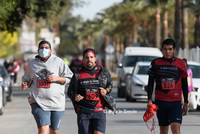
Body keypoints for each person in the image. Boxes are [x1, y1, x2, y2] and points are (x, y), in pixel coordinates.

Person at [21, 40, 73, 134]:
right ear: (38, 50)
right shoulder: (32, 63)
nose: (44, 50)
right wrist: (25, 83)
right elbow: (27, 79)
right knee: (43, 128)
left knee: (54, 131)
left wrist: (56, 78)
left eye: (46, 48)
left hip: (56, 103)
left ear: (51, 50)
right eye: (41, 48)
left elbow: (70, 78)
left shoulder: (58, 62)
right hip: (38, 102)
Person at [67, 48, 116, 134]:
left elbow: (110, 85)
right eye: (86, 57)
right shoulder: (77, 74)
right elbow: (70, 91)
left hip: (99, 110)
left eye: (91, 57)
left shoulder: (103, 72)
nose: (89, 59)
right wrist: (75, 96)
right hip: (83, 111)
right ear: (83, 59)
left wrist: (106, 91)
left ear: (95, 58)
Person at [147, 39, 188, 134]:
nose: (167, 52)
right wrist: (149, 100)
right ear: (162, 49)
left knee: (176, 129)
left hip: (175, 103)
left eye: (170, 49)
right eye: (165, 49)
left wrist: (185, 102)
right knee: (164, 131)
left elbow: (184, 83)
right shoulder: (155, 63)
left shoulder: (181, 63)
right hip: (161, 102)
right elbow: (150, 83)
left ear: (174, 50)